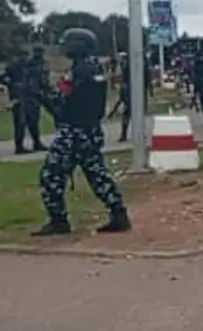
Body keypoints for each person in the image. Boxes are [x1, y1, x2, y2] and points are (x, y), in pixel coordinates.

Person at [31, 28, 130, 236]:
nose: (63, 47)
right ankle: (118, 213)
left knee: (50, 176)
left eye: (67, 43)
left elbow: (62, 103)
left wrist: (41, 94)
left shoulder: (78, 72)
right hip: (90, 132)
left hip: (73, 133)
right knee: (97, 175)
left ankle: (58, 220)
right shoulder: (95, 69)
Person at [4, 49, 44, 154]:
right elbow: (4, 78)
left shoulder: (28, 66)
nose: (24, 58)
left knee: (32, 120)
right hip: (18, 97)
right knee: (20, 122)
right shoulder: (13, 67)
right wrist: (13, 85)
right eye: (22, 56)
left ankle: (37, 143)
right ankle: (19, 146)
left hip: (28, 96)